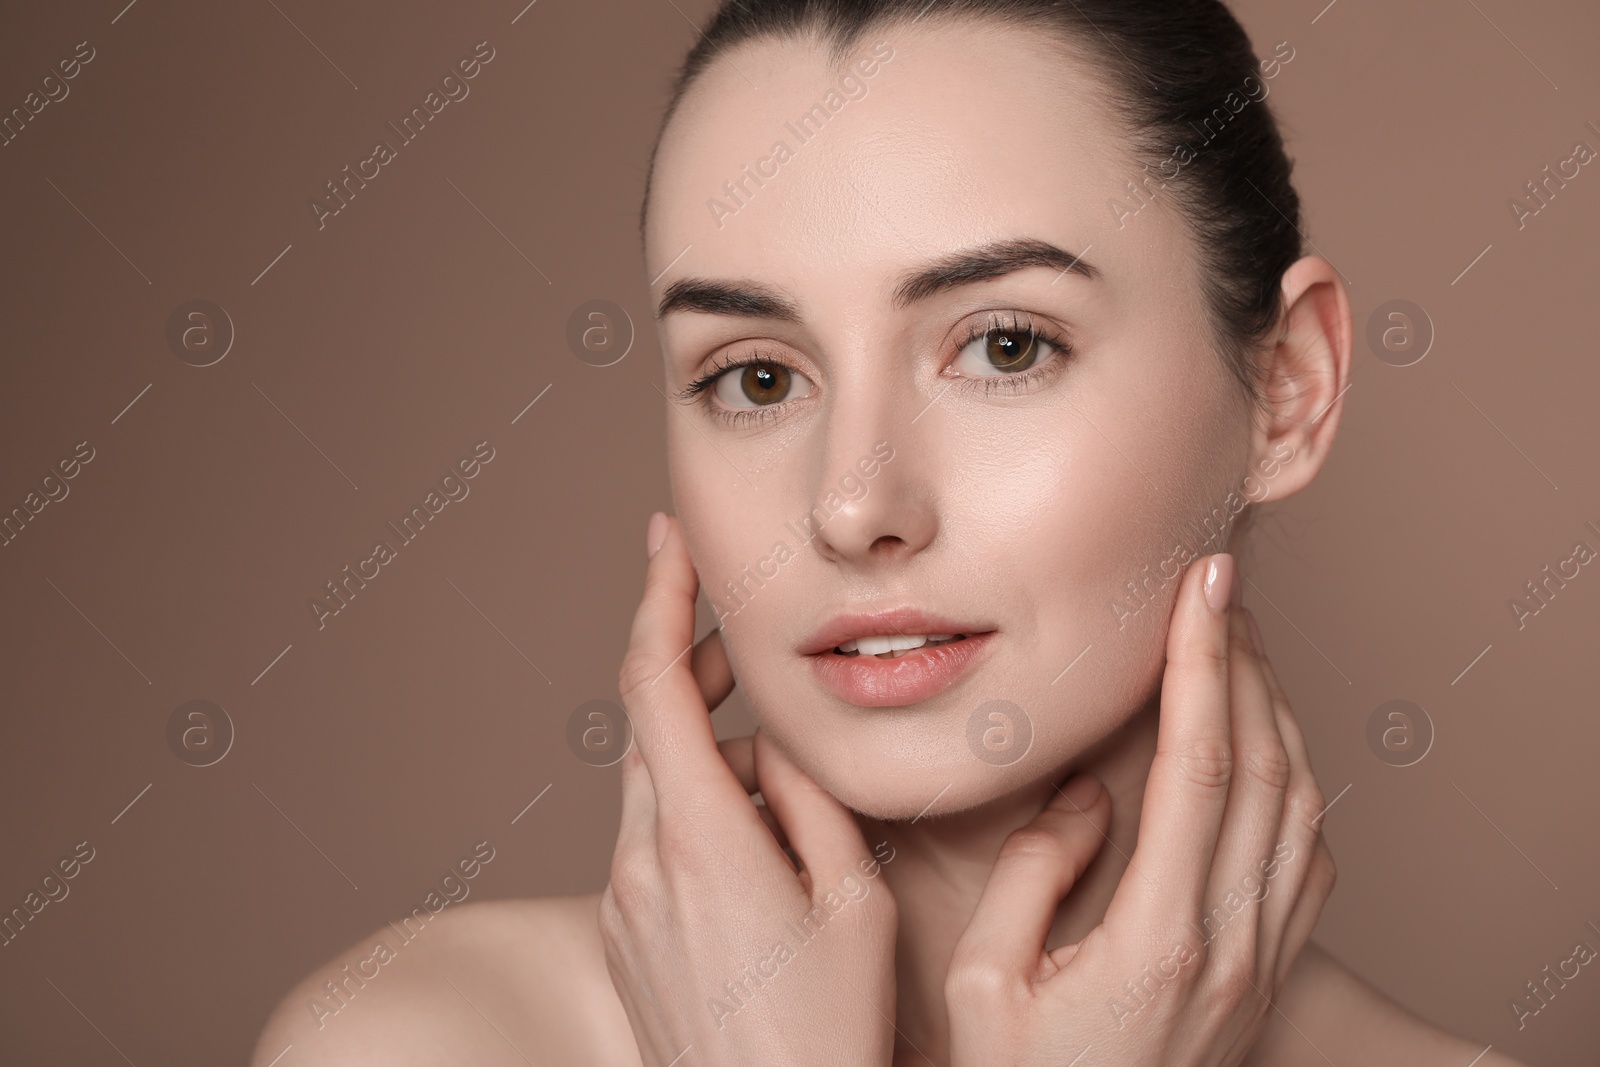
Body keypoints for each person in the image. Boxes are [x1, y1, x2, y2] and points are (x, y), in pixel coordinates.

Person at [253, 1, 1528, 1062]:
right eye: (756, 376)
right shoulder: (417, 1038)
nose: (853, 506)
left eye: (1004, 345)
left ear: (1289, 387)